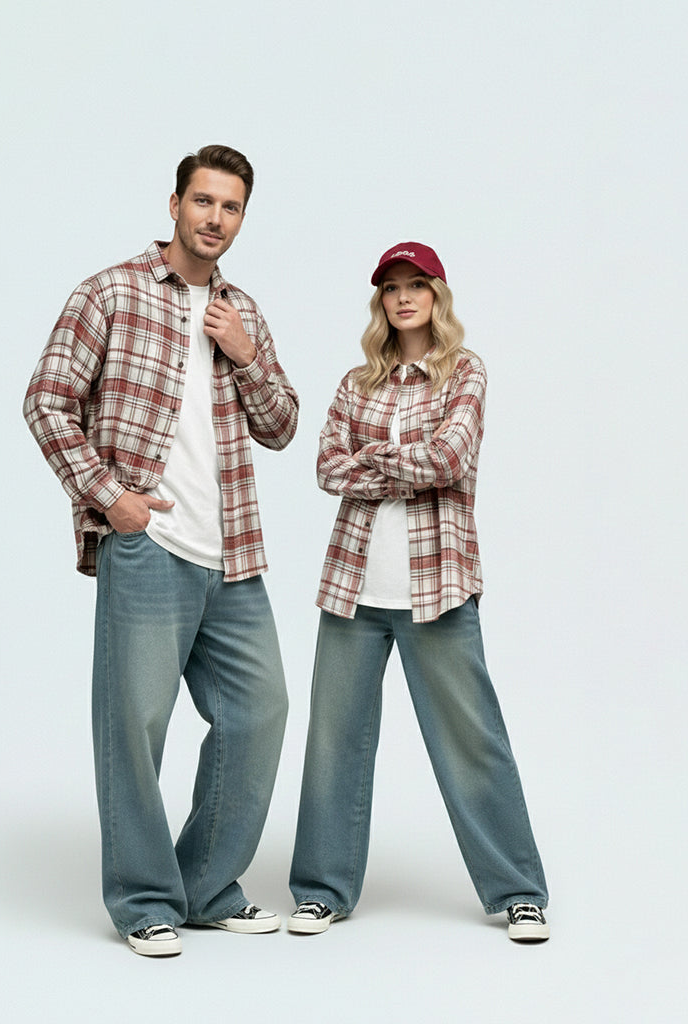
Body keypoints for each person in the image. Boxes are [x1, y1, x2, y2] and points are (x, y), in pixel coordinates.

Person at [24, 145, 298, 957]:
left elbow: (282, 427)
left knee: (261, 712)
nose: (216, 219)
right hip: (148, 546)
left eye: (232, 208)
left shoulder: (242, 309)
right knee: (135, 724)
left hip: (233, 552)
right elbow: (46, 399)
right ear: (174, 202)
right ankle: (145, 898)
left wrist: (246, 354)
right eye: (204, 202)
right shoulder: (111, 291)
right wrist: (111, 499)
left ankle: (207, 886)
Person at [287, 242, 550, 942]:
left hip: (438, 590)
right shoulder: (354, 384)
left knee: (472, 741)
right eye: (391, 288)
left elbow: (451, 456)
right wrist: (400, 465)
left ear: (437, 295)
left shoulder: (464, 372)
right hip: (353, 589)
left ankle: (518, 891)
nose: (403, 297)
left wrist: (370, 459)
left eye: (416, 285)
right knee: (333, 744)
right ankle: (321, 891)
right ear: (381, 302)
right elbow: (324, 467)